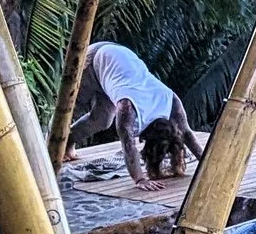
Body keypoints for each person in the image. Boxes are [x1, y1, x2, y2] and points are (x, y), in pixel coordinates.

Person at [71, 41, 208, 189]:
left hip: (116, 63)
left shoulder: (170, 99)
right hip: (93, 59)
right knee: (71, 109)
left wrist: (206, 163)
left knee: (102, 120)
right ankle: (54, 148)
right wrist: (140, 179)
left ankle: (68, 143)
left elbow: (186, 132)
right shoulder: (127, 108)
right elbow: (128, 144)